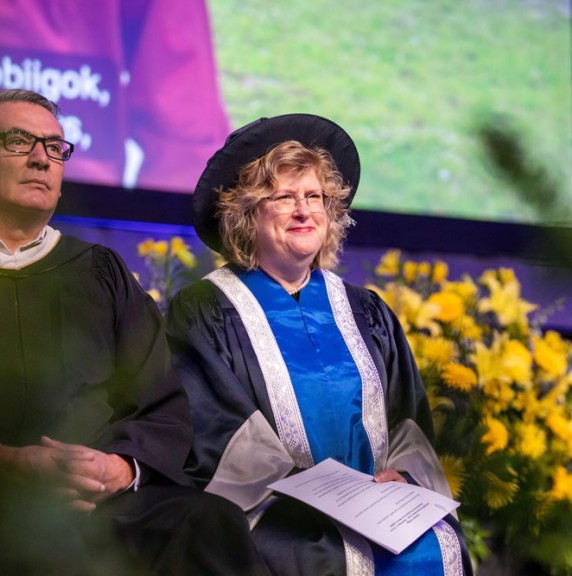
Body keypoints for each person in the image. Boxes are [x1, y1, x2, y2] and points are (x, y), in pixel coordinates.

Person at [0, 89, 268, 576]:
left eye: (55, 147)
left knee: (206, 524)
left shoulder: (99, 272)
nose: (41, 158)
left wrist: (119, 469)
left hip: (97, 502)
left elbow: (157, 401)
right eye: (19, 141)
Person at [165, 113, 474, 575]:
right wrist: (309, 491)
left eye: (315, 197)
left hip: (382, 508)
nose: (304, 210)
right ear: (247, 213)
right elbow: (213, 429)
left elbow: (408, 418)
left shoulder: (365, 312)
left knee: (438, 550)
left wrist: (403, 477)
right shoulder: (207, 311)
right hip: (277, 515)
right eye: (284, 197)